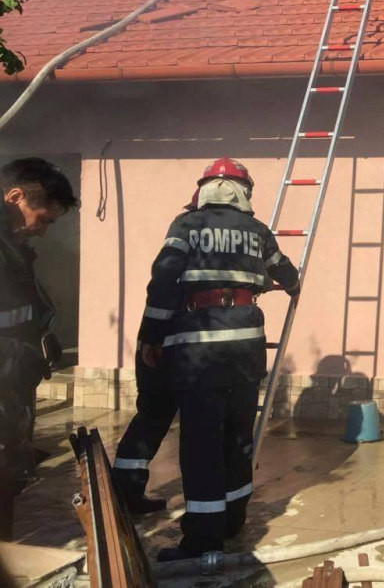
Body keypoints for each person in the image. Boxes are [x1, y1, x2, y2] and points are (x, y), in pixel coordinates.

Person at [137, 158, 300, 562]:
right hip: (246, 351)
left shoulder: (187, 226)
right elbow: (287, 273)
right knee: (238, 438)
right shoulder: (257, 231)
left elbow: (163, 281)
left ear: (203, 189)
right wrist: (286, 282)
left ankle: (203, 538)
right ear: (245, 192)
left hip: (200, 351)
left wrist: (152, 336)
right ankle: (232, 521)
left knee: (202, 445)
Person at [0, 158, 77, 539]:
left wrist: (41, 332)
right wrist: (18, 355)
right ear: (15, 197)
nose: (43, 231)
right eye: (43, 219)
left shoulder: (12, 250)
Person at [111, 191, 201, 515]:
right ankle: (202, 503)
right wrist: (154, 337)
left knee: (151, 418)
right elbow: (164, 284)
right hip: (171, 344)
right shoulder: (194, 231)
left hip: (162, 340)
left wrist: (151, 335)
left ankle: (125, 491)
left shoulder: (185, 228)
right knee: (178, 418)